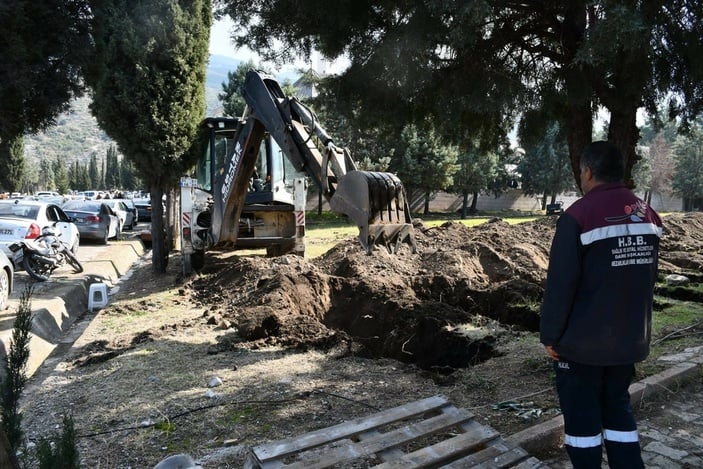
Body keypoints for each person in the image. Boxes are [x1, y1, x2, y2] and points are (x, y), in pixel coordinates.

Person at [540, 141, 663, 468]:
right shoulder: (647, 215)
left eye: (581, 171)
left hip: (582, 347)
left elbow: (561, 283)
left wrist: (551, 335)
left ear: (589, 171)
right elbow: (647, 277)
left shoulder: (578, 216)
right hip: (628, 341)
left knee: (582, 425)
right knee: (618, 410)